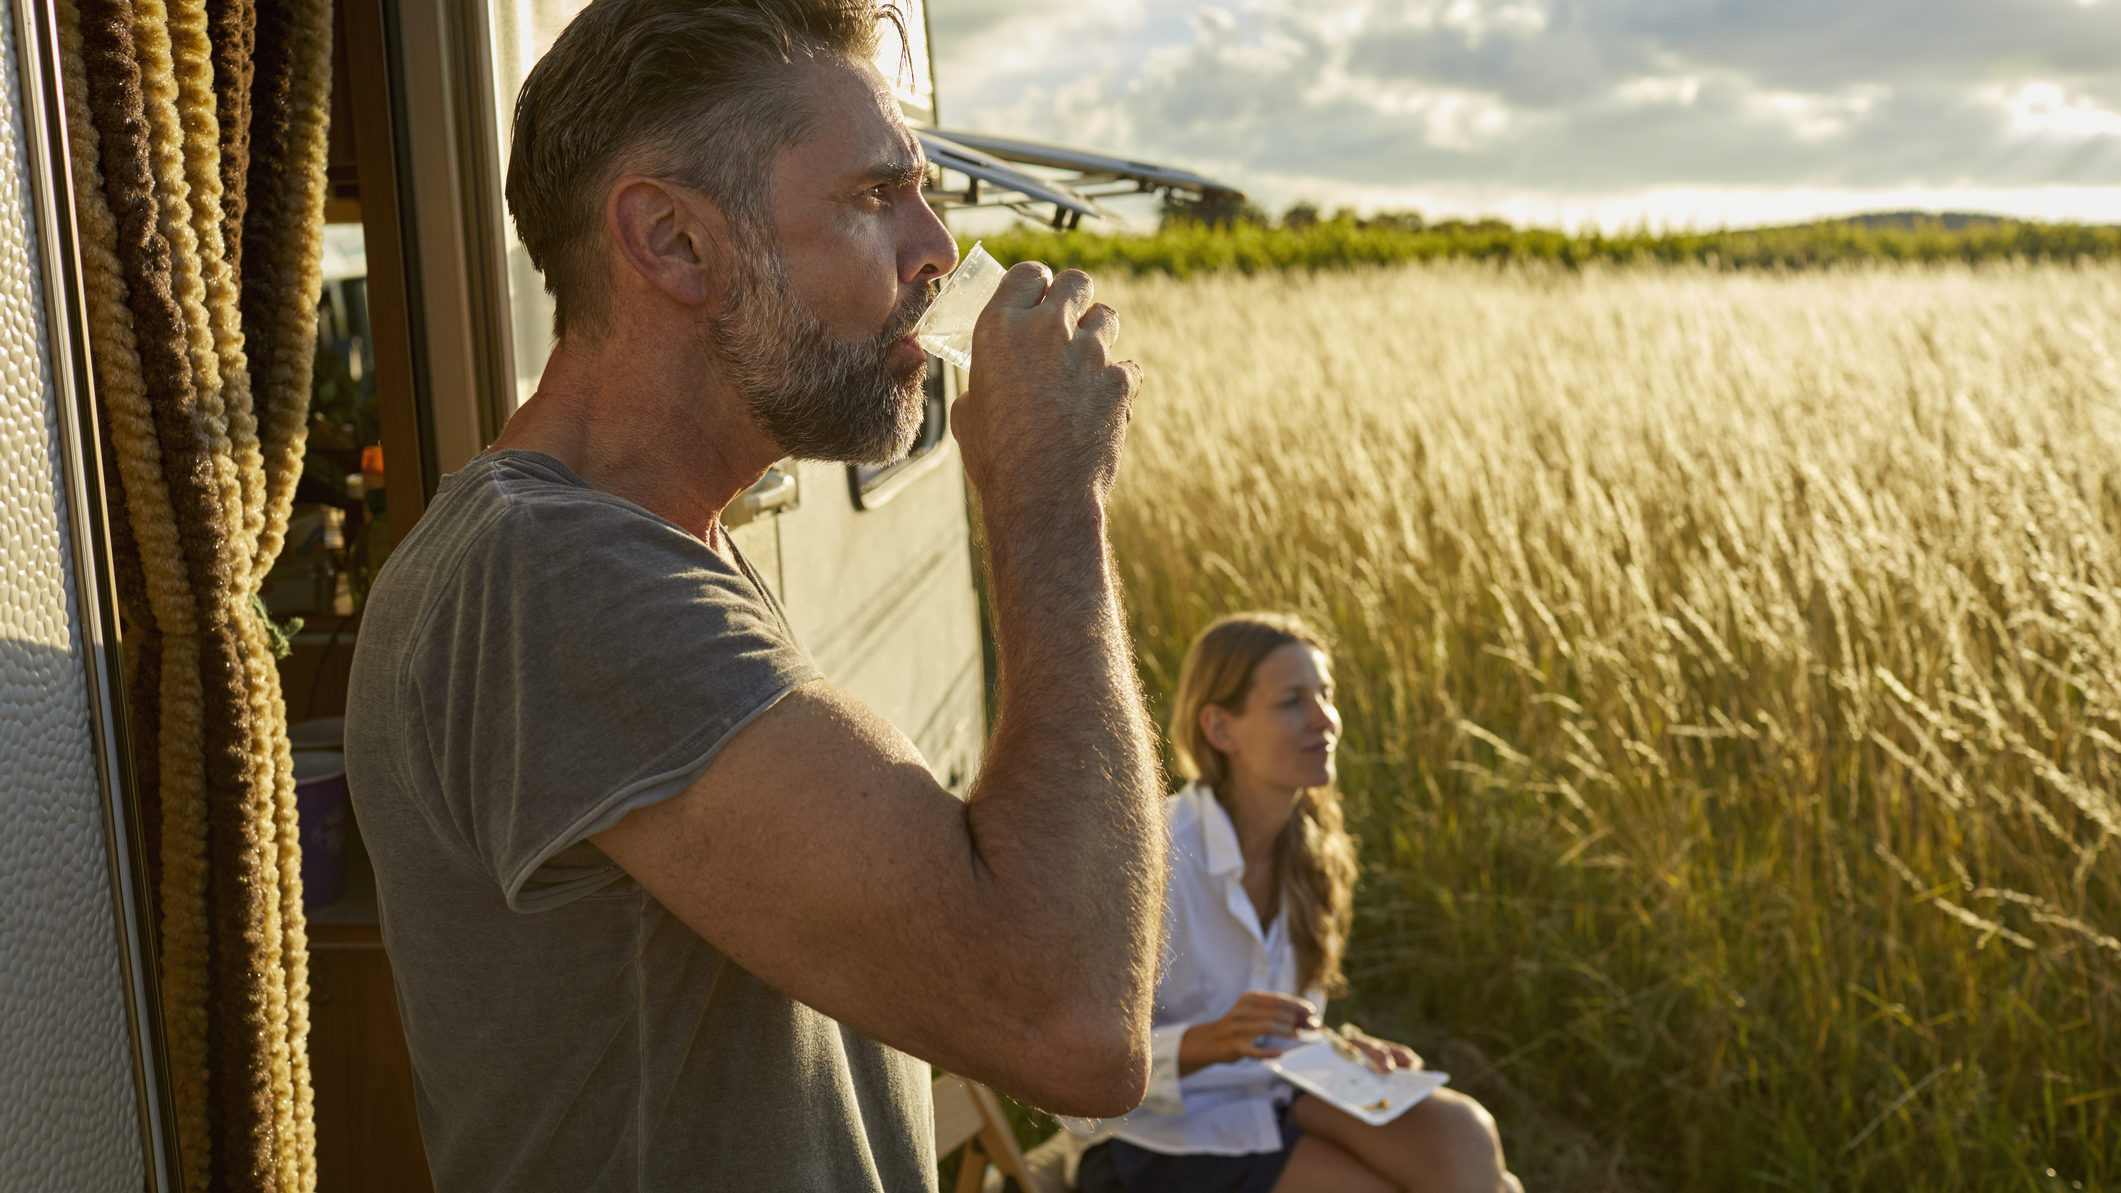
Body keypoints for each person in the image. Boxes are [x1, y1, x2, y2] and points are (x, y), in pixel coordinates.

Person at [341, 2, 1166, 1190]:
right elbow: (1074, 1018)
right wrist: (1051, 506)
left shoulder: (657, 544)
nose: (937, 248)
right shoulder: (555, 579)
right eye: (877, 195)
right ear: (672, 241)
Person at [1073, 613, 1522, 1193]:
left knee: (1466, 1135)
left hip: (1282, 1095)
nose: (1325, 720)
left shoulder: (1314, 848)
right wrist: (1213, 1041)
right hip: (1162, 1140)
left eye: (1325, 694)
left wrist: (1338, 1049)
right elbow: (1079, 1078)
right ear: (1219, 728)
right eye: (1291, 701)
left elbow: (1280, 1032)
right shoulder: (1148, 861)